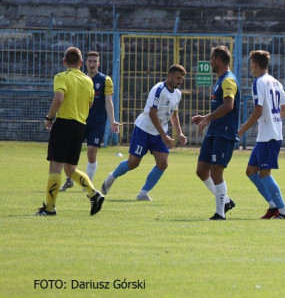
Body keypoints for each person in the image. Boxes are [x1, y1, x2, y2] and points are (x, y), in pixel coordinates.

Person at [35, 47, 105, 216]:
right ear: (81, 63)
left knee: (56, 166)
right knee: (71, 169)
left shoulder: (61, 77)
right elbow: (90, 104)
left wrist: (49, 117)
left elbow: (59, 99)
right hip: (80, 126)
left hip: (64, 124)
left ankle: (49, 208)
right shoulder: (88, 81)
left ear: (64, 61)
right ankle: (94, 194)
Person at [101, 65, 188, 201]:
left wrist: (180, 133)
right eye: (178, 78)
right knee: (133, 163)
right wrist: (164, 136)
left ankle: (143, 193)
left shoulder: (177, 93)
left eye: (182, 79)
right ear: (170, 76)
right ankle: (112, 176)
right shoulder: (158, 90)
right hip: (144, 129)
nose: (180, 82)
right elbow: (153, 114)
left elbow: (174, 115)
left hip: (159, 133)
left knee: (163, 163)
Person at [238, 50, 285, 219]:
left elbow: (257, 111)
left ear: (254, 64)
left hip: (269, 136)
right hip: (269, 134)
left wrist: (241, 131)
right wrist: (274, 118)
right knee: (251, 171)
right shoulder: (275, 82)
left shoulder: (258, 82)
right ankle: (273, 207)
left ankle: (284, 211)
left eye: (250, 65)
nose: (250, 68)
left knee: (264, 174)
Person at [60, 51, 121, 192]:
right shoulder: (78, 78)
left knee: (92, 152)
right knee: (67, 151)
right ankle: (69, 180)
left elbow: (108, 102)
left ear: (99, 64)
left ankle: (87, 184)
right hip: (79, 120)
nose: (92, 64)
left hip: (97, 123)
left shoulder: (105, 80)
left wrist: (113, 121)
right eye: (90, 61)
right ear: (85, 63)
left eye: (95, 61)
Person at [191, 46, 240, 221]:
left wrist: (207, 119)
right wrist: (206, 117)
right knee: (201, 170)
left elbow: (229, 106)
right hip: (214, 131)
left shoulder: (228, 81)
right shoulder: (220, 80)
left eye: (211, 59)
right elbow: (221, 107)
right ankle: (225, 201)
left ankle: (220, 214)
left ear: (218, 60)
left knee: (216, 172)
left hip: (224, 132)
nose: (210, 61)